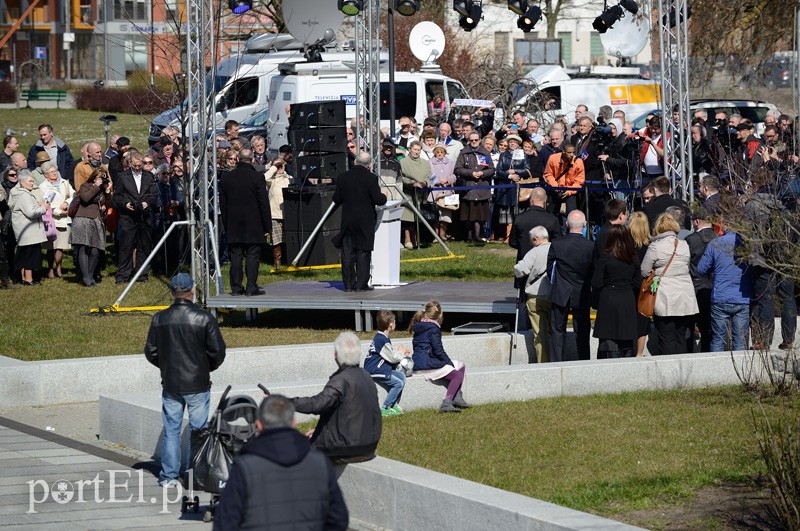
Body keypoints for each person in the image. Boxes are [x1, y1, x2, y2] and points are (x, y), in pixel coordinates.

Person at [213, 395, 349, 531]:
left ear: (259, 425)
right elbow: (339, 519)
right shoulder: (320, 463)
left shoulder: (244, 467)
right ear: (293, 423)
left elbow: (225, 522)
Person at [144, 273, 226, 487]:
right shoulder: (204, 318)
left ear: (172, 293)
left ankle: (169, 477)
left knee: (171, 430)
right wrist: (206, 368)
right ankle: (194, 476)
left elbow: (151, 352)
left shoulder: (159, 318)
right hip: (197, 383)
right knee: (197, 431)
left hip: (171, 383)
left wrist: (166, 367)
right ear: (192, 291)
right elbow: (217, 352)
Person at [292, 331, 382, 463]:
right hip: (368, 446)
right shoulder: (366, 376)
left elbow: (317, 404)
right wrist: (319, 432)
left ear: (335, 355)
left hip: (345, 449)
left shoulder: (340, 380)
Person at [640, 213, 699, 355]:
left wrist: (655, 273)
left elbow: (644, 270)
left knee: (666, 337)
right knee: (681, 336)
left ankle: (668, 369)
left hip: (665, 294)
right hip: (685, 294)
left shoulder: (655, 246)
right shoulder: (684, 245)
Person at [332, 152, 387, 292]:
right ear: (369, 165)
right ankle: (361, 285)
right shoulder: (371, 178)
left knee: (347, 253)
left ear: (355, 162)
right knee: (363, 252)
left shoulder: (342, 177)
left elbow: (336, 198)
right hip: (365, 220)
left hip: (348, 219)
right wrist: (384, 196)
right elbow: (377, 199)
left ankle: (349, 285)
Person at [219, 149, 271, 296]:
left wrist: (226, 223)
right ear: (252, 160)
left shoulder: (226, 178)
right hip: (254, 223)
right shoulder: (257, 177)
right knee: (252, 254)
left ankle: (236, 287)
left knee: (236, 255)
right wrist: (267, 226)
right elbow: (263, 203)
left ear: (238, 160)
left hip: (233, 223)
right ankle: (251, 286)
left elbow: (223, 205)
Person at [696, 217, 751, 353]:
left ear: (726, 226)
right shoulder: (748, 245)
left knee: (717, 340)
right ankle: (741, 372)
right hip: (742, 297)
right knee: (740, 341)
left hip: (721, 296)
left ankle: (716, 370)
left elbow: (701, 269)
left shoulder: (715, 243)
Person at [547, 210, 594, 361]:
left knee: (557, 330)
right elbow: (593, 270)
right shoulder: (590, 246)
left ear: (567, 224)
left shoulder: (557, 243)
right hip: (582, 291)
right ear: (585, 225)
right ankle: (583, 359)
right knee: (582, 330)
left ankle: (556, 362)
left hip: (561, 291)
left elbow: (549, 268)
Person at [409, 300, 469, 413]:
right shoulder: (433, 328)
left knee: (460, 365)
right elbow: (438, 351)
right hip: (426, 366)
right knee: (457, 375)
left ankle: (457, 396)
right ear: (440, 315)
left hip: (418, 363)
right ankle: (446, 403)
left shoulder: (419, 326)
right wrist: (449, 363)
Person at [591, 225, 641, 358]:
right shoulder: (633, 257)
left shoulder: (606, 257)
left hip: (609, 297)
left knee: (609, 337)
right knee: (626, 338)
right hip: (627, 298)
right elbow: (637, 283)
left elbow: (596, 282)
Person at [113, 151, 157, 284]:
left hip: (144, 216)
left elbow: (154, 195)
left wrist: (147, 203)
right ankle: (122, 276)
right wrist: (125, 204)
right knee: (126, 246)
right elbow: (116, 197)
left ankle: (142, 274)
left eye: (140, 165)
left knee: (144, 246)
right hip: (128, 217)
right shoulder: (122, 176)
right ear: (130, 163)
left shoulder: (149, 176)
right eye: (135, 165)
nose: (137, 167)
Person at [514, 226, 552, 363]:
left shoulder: (534, 252)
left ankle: (544, 363)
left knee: (540, 335)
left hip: (535, 296)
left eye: (532, 241)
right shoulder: (556, 249)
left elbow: (519, 270)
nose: (531, 244)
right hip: (554, 297)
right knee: (554, 332)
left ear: (536, 239)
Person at [70, 168, 111, 286]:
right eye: (99, 177)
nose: (101, 180)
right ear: (94, 177)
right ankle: (86, 278)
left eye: (103, 177)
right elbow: (85, 198)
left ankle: (90, 275)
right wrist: (96, 186)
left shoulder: (102, 189)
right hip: (83, 219)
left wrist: (107, 193)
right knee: (83, 248)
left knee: (96, 250)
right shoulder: (85, 186)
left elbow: (108, 204)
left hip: (96, 221)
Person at [365, 309, 411, 416]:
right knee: (398, 383)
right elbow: (392, 358)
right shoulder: (381, 339)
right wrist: (402, 352)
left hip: (379, 368)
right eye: (394, 322)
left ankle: (393, 404)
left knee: (401, 377)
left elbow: (387, 354)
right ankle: (385, 408)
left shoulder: (382, 337)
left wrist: (400, 352)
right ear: (391, 325)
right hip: (375, 369)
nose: (395, 324)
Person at [685, 209, 718, 352]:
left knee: (690, 326)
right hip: (713, 286)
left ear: (697, 222)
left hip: (694, 286)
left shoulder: (691, 240)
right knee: (709, 328)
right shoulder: (718, 238)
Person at [8, 170, 47, 285]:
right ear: (22, 182)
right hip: (28, 231)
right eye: (30, 181)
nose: (32, 183)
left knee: (25, 255)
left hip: (24, 231)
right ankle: (28, 279)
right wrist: (43, 208)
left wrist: (37, 205)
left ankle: (23, 278)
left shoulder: (19, 194)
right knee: (29, 256)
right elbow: (30, 213)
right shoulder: (24, 195)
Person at [455, 132, 495, 242]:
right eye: (471, 140)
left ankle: (477, 235)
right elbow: (458, 169)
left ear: (479, 140)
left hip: (481, 187)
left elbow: (491, 169)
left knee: (479, 214)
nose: (473, 142)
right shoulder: (463, 153)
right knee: (468, 215)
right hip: (468, 188)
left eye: (476, 140)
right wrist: (471, 173)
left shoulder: (485, 153)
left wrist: (482, 173)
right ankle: (468, 236)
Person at [37, 162, 75, 279]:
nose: (54, 173)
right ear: (45, 174)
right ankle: (50, 269)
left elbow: (73, 194)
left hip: (64, 219)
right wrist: (59, 211)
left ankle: (59, 269)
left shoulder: (64, 182)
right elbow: (45, 204)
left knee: (60, 246)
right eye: (51, 172)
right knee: (50, 247)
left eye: (55, 171)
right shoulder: (43, 187)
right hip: (51, 220)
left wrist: (66, 203)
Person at [508, 187, 560, 264]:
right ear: (545, 199)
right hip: (544, 264)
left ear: (531, 199)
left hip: (523, 262)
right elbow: (558, 243)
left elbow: (512, 242)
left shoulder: (519, 218)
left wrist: (523, 247)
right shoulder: (552, 220)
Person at [493, 134, 529, 243]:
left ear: (518, 144)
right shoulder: (503, 155)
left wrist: (515, 171)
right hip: (505, 187)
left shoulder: (523, 155)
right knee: (506, 213)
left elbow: (527, 171)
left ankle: (517, 236)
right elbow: (498, 171)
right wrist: (509, 176)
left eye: (514, 142)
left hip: (519, 188)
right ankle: (507, 236)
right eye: (510, 142)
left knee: (518, 213)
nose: (512, 143)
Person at [399, 141, 432, 249]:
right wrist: (412, 183)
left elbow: (429, 177)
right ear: (410, 149)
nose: (416, 152)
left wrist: (425, 183)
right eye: (415, 149)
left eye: (419, 150)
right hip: (409, 193)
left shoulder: (425, 163)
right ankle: (407, 240)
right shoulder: (403, 162)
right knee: (408, 218)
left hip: (421, 194)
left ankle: (417, 240)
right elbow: (401, 177)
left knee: (419, 218)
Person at [628, 211, 652, 357]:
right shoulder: (650, 245)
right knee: (642, 320)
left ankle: (630, 350)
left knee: (629, 317)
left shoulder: (626, 244)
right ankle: (639, 353)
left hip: (629, 285)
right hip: (644, 285)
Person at [264, 158, 292, 269]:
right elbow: (264, 177)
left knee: (289, 240)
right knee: (276, 241)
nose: (280, 167)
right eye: (278, 165)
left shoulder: (290, 178)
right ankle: (277, 262)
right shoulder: (271, 180)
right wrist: (274, 167)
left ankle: (289, 261)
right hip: (275, 214)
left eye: (282, 165)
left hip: (288, 214)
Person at [543, 144, 584, 218]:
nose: (572, 155)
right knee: (551, 214)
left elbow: (579, 181)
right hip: (555, 188)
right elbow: (548, 174)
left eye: (573, 152)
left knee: (572, 214)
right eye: (569, 152)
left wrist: (569, 191)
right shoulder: (553, 158)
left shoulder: (578, 162)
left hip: (570, 190)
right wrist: (555, 186)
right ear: (563, 152)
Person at [429, 143, 457, 241]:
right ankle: (435, 236)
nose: (440, 153)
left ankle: (443, 235)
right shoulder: (430, 162)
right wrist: (438, 180)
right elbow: (429, 175)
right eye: (437, 152)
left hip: (447, 191)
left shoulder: (450, 162)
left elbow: (454, 176)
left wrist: (448, 179)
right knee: (435, 215)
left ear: (445, 153)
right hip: (435, 192)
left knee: (446, 215)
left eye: (442, 152)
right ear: (434, 153)